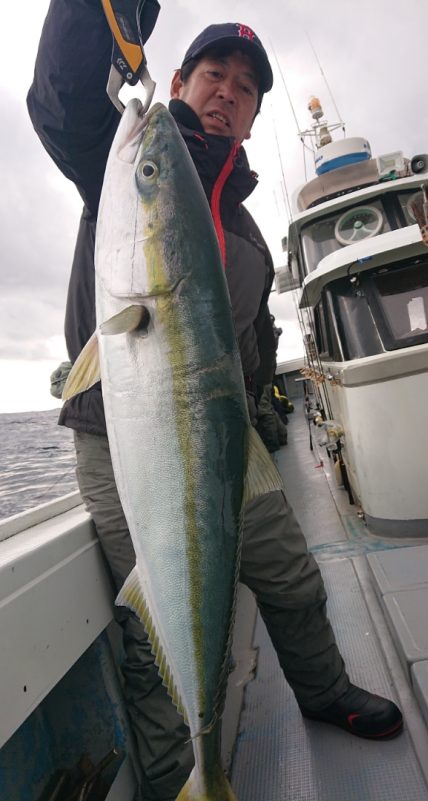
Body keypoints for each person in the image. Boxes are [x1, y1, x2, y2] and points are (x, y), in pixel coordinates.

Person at [27, 4, 403, 800]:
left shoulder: (249, 234)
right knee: (151, 627)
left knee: (293, 575)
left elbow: (253, 343)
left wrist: (263, 410)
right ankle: (186, 778)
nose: (227, 93)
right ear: (176, 81)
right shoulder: (127, 163)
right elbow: (59, 97)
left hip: (229, 440)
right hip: (124, 436)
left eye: (244, 87)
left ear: (257, 111)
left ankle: (325, 688)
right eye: (213, 75)